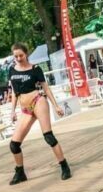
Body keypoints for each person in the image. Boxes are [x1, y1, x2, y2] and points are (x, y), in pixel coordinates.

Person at [7, 43, 71, 184]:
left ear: (26, 54)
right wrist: (12, 111)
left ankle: (64, 166)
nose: (18, 58)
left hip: (38, 102)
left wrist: (56, 106)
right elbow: (13, 92)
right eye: (16, 56)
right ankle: (20, 172)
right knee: (14, 145)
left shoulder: (35, 69)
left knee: (48, 136)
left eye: (21, 55)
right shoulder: (11, 70)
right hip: (25, 109)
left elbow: (46, 89)